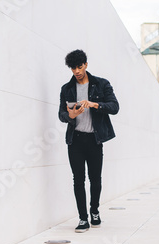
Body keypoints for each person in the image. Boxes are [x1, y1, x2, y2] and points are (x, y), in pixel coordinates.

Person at [58, 49, 119, 233]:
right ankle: (83, 218)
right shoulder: (66, 89)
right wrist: (70, 115)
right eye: (73, 68)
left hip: (94, 139)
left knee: (95, 179)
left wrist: (95, 104)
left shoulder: (101, 84)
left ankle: (94, 212)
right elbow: (61, 114)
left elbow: (115, 107)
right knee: (78, 180)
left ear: (86, 64)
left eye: (79, 66)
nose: (76, 71)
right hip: (75, 140)